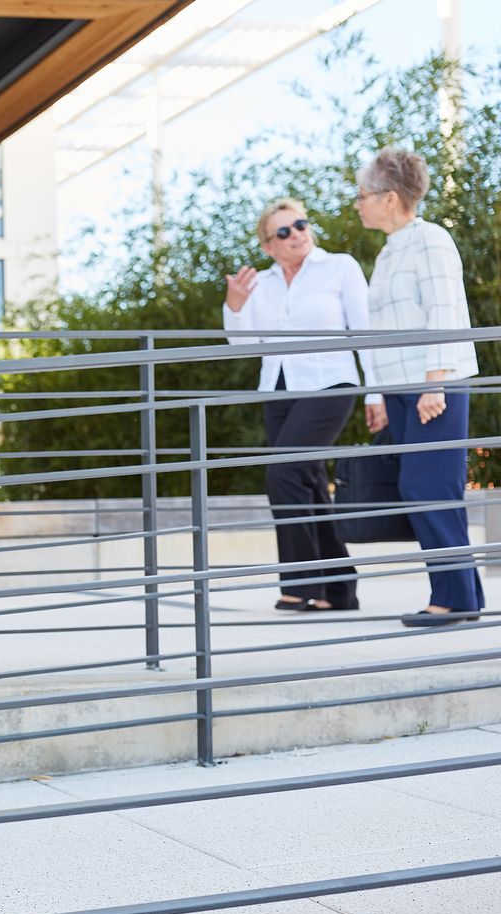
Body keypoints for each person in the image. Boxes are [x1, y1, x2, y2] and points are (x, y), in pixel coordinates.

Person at [355, 146, 483, 627]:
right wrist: (377, 395)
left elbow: (445, 313)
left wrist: (435, 385)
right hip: (401, 388)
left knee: (428, 486)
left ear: (389, 198)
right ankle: (462, 597)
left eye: (363, 195)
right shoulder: (390, 251)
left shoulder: (430, 239)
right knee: (423, 487)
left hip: (435, 386)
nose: (358, 204)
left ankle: (450, 600)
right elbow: (380, 332)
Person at [223, 198, 369, 612]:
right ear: (269, 245)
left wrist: (377, 394)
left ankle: (304, 585)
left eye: (300, 224)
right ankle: (340, 589)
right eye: (284, 231)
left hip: (330, 383)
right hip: (279, 391)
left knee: (283, 474)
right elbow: (245, 347)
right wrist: (234, 308)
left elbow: (366, 333)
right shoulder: (262, 284)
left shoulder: (340, 267)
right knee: (305, 482)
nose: (296, 234)